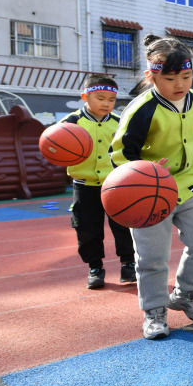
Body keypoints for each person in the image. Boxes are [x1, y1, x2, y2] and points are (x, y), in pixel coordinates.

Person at [111, 34, 193, 339]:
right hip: (148, 193)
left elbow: (192, 140)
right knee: (153, 257)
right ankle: (154, 310)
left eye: (186, 76)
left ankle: (185, 293)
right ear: (152, 76)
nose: (179, 84)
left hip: (189, 185)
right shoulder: (140, 110)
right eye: (170, 78)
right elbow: (119, 155)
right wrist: (143, 176)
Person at [60, 74, 136, 289]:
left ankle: (128, 264)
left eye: (111, 100)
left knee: (123, 225)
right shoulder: (70, 123)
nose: (106, 103)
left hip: (115, 184)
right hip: (84, 185)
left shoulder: (120, 122)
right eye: (100, 98)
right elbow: (54, 144)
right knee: (87, 228)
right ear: (85, 97)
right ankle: (95, 267)